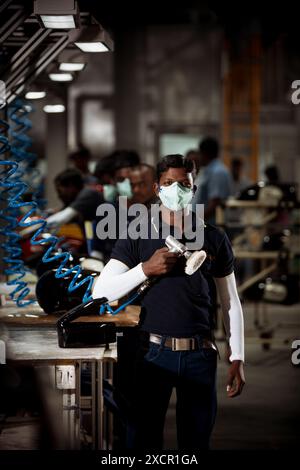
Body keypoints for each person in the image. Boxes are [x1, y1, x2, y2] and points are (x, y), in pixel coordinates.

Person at [93, 154, 245, 450]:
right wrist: (144, 269)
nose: (176, 190)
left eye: (184, 184)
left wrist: (237, 354)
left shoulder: (213, 238)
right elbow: (102, 292)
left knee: (196, 443)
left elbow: (230, 301)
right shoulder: (137, 235)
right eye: (168, 183)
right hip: (152, 354)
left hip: (199, 355)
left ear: (194, 188)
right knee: (143, 441)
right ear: (157, 187)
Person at [193, 137, 231, 223]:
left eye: (199, 153)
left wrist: (195, 221)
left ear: (206, 153)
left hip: (209, 225)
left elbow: (215, 203)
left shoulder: (217, 172)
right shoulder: (208, 171)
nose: (199, 157)